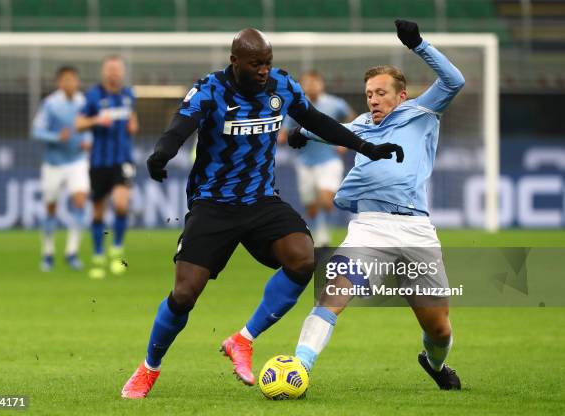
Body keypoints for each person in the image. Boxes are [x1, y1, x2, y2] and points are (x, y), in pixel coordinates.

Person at [120, 28, 404, 399]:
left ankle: (243, 339)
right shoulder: (210, 89)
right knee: (185, 294)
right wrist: (162, 154)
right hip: (214, 204)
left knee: (303, 259)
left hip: (261, 201)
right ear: (235, 61)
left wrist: (365, 146)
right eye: (256, 64)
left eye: (267, 63)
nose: (263, 71)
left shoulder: (281, 85)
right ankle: (148, 369)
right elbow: (181, 126)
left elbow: (317, 120)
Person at [291, 20, 465, 391]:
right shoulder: (361, 126)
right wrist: (300, 133)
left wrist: (418, 45)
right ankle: (299, 366)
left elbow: (454, 81)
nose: (373, 99)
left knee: (438, 328)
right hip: (369, 228)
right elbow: (328, 127)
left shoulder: (422, 113)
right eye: (369, 93)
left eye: (381, 92)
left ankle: (435, 363)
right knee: (333, 292)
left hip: (416, 230)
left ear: (401, 96)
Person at [76, 55, 139, 279]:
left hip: (123, 160)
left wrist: (133, 124)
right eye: (110, 69)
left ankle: (117, 250)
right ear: (104, 72)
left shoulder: (128, 95)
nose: (114, 73)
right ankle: (98, 255)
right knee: (98, 209)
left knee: (121, 204)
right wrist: (96, 121)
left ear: (122, 72)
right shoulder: (93, 96)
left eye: (117, 69)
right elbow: (78, 123)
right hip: (99, 162)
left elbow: (133, 121)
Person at [277, 70, 355, 247]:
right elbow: (285, 130)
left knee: (326, 201)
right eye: (307, 83)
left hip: (329, 160)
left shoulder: (336, 104)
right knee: (311, 208)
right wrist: (282, 137)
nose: (311, 86)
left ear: (321, 84)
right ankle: (316, 232)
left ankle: (323, 238)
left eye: (315, 82)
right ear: (302, 86)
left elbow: (351, 118)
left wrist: (344, 141)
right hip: (304, 163)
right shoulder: (296, 107)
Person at [31, 66, 91, 272]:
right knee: (50, 207)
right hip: (53, 163)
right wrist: (57, 137)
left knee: (81, 201)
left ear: (77, 81)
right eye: (65, 80)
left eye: (73, 79)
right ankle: (47, 252)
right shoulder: (50, 104)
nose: (70, 83)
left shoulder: (84, 102)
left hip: (77, 161)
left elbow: (89, 127)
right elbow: (36, 131)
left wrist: (88, 140)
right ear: (59, 82)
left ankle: (71, 252)